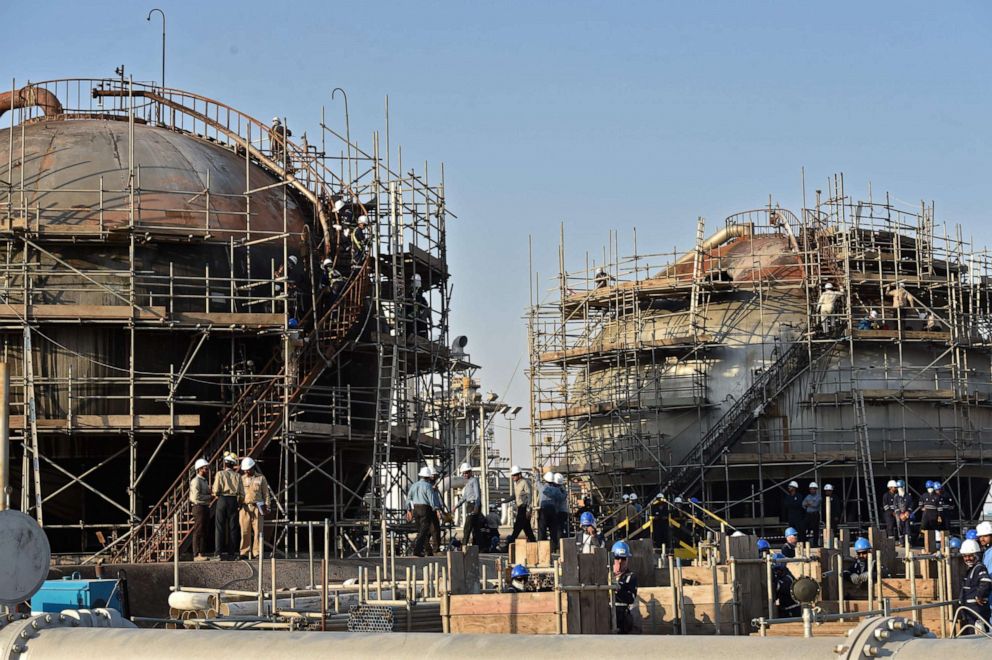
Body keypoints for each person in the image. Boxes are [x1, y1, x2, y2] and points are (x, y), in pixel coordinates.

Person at [211, 452, 244, 560]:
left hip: (222, 499)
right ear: (233, 465)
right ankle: (232, 553)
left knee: (219, 527)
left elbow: (215, 490)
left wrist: (216, 494)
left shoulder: (220, 474)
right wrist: (239, 503)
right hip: (233, 500)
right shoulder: (238, 476)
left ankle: (218, 553)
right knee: (233, 527)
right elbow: (242, 493)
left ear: (225, 464)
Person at [239, 456, 271, 560]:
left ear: (253, 467)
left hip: (258, 506)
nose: (247, 472)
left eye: (248, 469)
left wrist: (267, 506)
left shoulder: (261, 478)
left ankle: (256, 552)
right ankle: (244, 552)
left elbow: (266, 493)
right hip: (244, 507)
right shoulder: (241, 479)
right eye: (245, 470)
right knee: (244, 530)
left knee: (258, 531)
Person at [957, 538, 992, 635]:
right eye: (965, 556)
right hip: (970, 612)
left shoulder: (979, 568)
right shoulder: (971, 570)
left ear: (976, 555)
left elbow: (986, 581)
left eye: (970, 556)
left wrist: (979, 596)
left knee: (980, 637)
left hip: (977, 612)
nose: (967, 559)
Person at [406, 466, 439, 557]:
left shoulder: (414, 485)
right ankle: (417, 550)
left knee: (421, 530)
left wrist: (409, 510)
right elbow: (431, 500)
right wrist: (436, 509)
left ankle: (428, 550)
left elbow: (408, 498)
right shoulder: (428, 486)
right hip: (425, 509)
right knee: (424, 531)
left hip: (416, 509)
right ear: (428, 477)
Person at [504, 465, 536, 543]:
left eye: (514, 475)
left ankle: (510, 542)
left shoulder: (524, 482)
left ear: (519, 474)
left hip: (524, 508)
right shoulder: (517, 484)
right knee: (526, 528)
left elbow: (529, 496)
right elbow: (515, 495)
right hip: (520, 508)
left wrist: (528, 510)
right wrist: (505, 501)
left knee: (517, 526)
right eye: (512, 475)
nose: (513, 477)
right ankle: (533, 542)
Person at [611, 541, 638, 634]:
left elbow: (631, 598)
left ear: (627, 560)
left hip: (622, 616)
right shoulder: (605, 575)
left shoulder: (630, 576)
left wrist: (618, 589)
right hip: (605, 614)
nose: (620, 561)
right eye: (617, 558)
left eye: (623, 559)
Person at [454, 463, 482, 548]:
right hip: (470, 504)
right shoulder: (468, 483)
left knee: (467, 526)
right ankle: (478, 545)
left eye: (466, 473)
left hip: (474, 504)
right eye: (464, 473)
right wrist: (456, 506)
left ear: (470, 472)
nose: (465, 475)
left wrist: (476, 506)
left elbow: (477, 494)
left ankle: (464, 545)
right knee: (475, 527)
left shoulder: (474, 481)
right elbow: (465, 497)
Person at [189, 458, 211, 561]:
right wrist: (210, 497)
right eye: (205, 469)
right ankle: (196, 553)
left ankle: (202, 553)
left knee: (204, 530)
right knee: (198, 530)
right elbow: (196, 497)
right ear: (199, 469)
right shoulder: (196, 481)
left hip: (205, 506)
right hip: (198, 507)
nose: (207, 471)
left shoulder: (204, 481)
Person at [538, 471, 564, 548]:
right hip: (553, 510)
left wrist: (537, 474)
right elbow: (561, 498)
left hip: (544, 510)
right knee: (553, 530)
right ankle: (554, 546)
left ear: (545, 480)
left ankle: (541, 546)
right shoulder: (556, 490)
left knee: (542, 529)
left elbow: (537, 482)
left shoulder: (542, 487)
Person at [772, 553, 800, 618]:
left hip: (792, 609)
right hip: (784, 608)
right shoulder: (782, 575)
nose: (776, 572)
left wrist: (773, 579)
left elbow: (778, 587)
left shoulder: (787, 578)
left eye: (777, 570)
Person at [802, 482, 821, 547]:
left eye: (813, 489)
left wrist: (808, 503)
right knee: (804, 528)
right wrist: (810, 503)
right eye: (811, 489)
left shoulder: (818, 497)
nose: (812, 490)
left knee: (815, 529)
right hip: (808, 514)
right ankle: (804, 543)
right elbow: (803, 504)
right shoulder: (808, 496)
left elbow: (815, 505)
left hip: (815, 515)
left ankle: (815, 544)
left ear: (816, 489)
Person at [554, 473, 569, 539]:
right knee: (561, 528)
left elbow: (559, 499)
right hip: (564, 511)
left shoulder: (558, 489)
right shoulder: (562, 488)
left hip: (559, 511)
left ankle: (559, 544)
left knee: (558, 529)